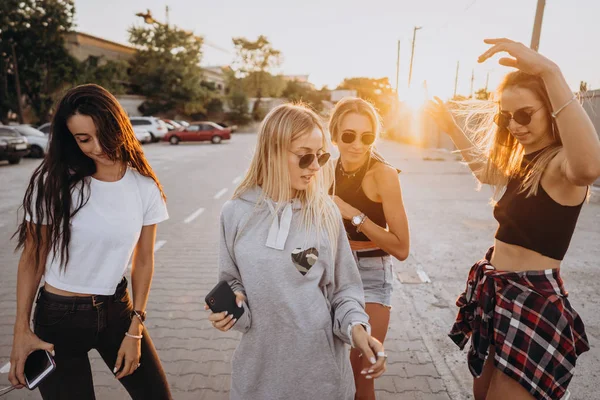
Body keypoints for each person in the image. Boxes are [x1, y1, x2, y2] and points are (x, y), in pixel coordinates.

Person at [426, 38, 600, 400]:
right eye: (506, 116)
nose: (515, 125)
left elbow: (589, 166)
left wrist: (550, 71)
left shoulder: (559, 165)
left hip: (533, 301)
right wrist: (450, 127)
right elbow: (487, 172)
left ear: (552, 109)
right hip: (499, 297)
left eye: (525, 113)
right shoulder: (527, 160)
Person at [205, 103, 387, 400]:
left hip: (322, 379)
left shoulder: (325, 211)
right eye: (305, 157)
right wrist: (231, 309)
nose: (316, 166)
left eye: (321, 156)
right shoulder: (235, 213)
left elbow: (345, 291)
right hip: (257, 378)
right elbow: (231, 281)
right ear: (272, 151)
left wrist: (357, 329)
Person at [8, 84, 172, 399]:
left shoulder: (144, 187)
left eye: (103, 134)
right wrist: (21, 331)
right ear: (71, 139)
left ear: (118, 126)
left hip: (117, 311)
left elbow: (144, 261)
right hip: (58, 318)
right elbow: (32, 257)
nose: (97, 147)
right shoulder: (53, 183)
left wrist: (135, 327)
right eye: (84, 139)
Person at [328, 97, 410, 400]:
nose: (357, 145)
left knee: (363, 367)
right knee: (330, 363)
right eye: (348, 136)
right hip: (332, 265)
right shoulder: (325, 167)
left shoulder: (383, 175)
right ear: (334, 134)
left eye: (367, 136)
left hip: (372, 270)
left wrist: (353, 213)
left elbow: (401, 248)